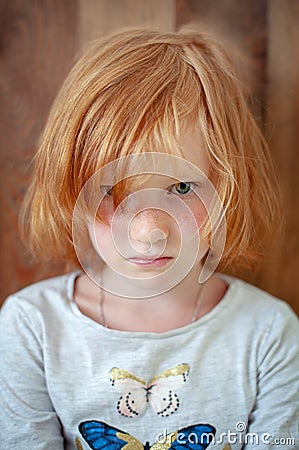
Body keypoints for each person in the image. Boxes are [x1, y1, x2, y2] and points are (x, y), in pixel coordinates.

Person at [0, 27, 298, 450]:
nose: (149, 233)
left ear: (229, 189)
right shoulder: (33, 328)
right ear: (69, 189)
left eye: (181, 189)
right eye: (112, 193)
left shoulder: (268, 335)